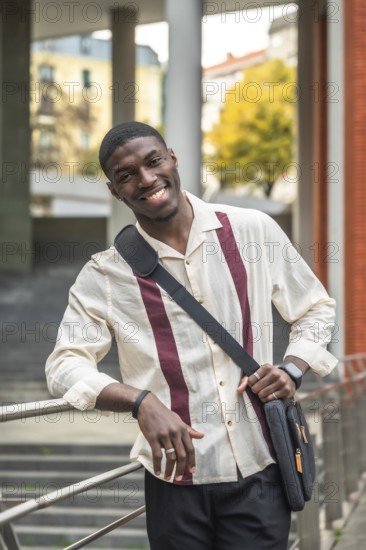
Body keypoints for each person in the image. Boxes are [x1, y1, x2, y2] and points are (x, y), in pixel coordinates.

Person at [46, 121, 337, 549]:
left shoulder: (252, 230)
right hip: (173, 482)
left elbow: (316, 307)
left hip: (260, 469)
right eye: (126, 175)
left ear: (173, 160)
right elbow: (64, 364)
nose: (146, 179)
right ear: (115, 191)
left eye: (153, 162)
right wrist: (139, 402)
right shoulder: (105, 274)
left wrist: (292, 368)